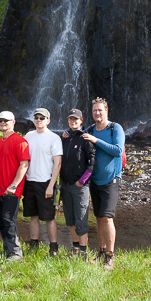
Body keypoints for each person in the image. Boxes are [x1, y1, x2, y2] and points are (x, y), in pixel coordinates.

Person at [82, 97, 125, 270]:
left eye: (100, 110)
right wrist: (67, 135)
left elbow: (117, 150)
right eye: (94, 110)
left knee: (107, 218)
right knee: (99, 218)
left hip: (111, 179)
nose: (97, 113)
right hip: (95, 180)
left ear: (106, 111)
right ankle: (101, 252)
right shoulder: (90, 129)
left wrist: (95, 141)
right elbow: (79, 139)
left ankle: (110, 257)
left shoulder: (115, 128)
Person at [0, 110, 30, 260]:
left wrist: (14, 185)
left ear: (13, 122)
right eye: (0, 120)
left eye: (6, 120)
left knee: (8, 219)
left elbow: (24, 165)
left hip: (12, 190)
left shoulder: (20, 141)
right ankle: (7, 250)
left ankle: (16, 252)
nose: (3, 123)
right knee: (1, 220)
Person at [23, 108, 63, 255]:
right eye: (36, 118)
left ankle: (53, 247)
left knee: (49, 217)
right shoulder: (28, 135)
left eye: (42, 118)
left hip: (46, 181)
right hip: (30, 181)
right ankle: (34, 244)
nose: (39, 120)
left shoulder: (54, 138)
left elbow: (58, 164)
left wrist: (51, 185)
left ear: (48, 120)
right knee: (33, 215)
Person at [59, 108, 96, 258]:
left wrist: (82, 181)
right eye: (70, 119)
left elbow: (92, 163)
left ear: (81, 121)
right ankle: (75, 249)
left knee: (81, 218)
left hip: (80, 186)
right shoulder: (65, 138)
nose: (73, 121)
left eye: (76, 119)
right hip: (66, 185)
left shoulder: (85, 138)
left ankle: (83, 251)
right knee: (70, 218)